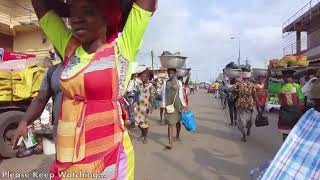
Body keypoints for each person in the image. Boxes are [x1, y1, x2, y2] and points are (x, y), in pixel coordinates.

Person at [28, 0, 156, 179]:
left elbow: (144, 6)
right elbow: (42, 10)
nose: (76, 19)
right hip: (70, 160)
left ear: (106, 19)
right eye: (73, 11)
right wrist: (62, 8)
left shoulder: (122, 50)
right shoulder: (70, 49)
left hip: (110, 158)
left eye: (87, 11)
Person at [12, 61, 63, 158]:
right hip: (63, 140)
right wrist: (24, 122)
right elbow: (40, 99)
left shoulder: (96, 65)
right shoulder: (53, 72)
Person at [162, 68, 187, 149]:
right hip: (169, 105)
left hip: (177, 105)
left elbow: (181, 94)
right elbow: (163, 95)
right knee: (170, 123)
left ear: (175, 74)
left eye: (172, 73)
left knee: (178, 121)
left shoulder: (179, 82)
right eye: (169, 73)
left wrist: (183, 105)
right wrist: (163, 105)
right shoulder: (165, 83)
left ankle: (177, 136)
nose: (170, 75)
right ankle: (170, 142)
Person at [278, 70, 305, 141]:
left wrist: (299, 110)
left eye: (288, 76)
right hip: (284, 112)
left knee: (295, 132)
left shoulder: (296, 86)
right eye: (285, 76)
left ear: (291, 77)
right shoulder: (281, 86)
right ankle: (286, 147)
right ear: (283, 77)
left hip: (294, 112)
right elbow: (279, 99)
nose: (286, 78)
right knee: (285, 132)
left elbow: (301, 99)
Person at [234, 72, 259, 142]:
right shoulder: (252, 85)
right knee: (249, 119)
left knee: (241, 120)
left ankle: (244, 134)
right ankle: (248, 130)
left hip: (241, 104)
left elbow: (231, 89)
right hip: (250, 104)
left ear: (242, 77)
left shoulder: (238, 84)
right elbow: (255, 96)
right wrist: (258, 106)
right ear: (249, 78)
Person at [134, 70, 155, 144]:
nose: (142, 77)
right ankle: (142, 133)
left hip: (146, 107)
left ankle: (145, 137)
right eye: (142, 76)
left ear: (148, 77)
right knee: (138, 122)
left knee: (145, 123)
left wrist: (151, 106)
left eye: (144, 76)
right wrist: (133, 105)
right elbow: (135, 96)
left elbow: (152, 97)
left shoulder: (150, 87)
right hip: (139, 107)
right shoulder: (138, 86)